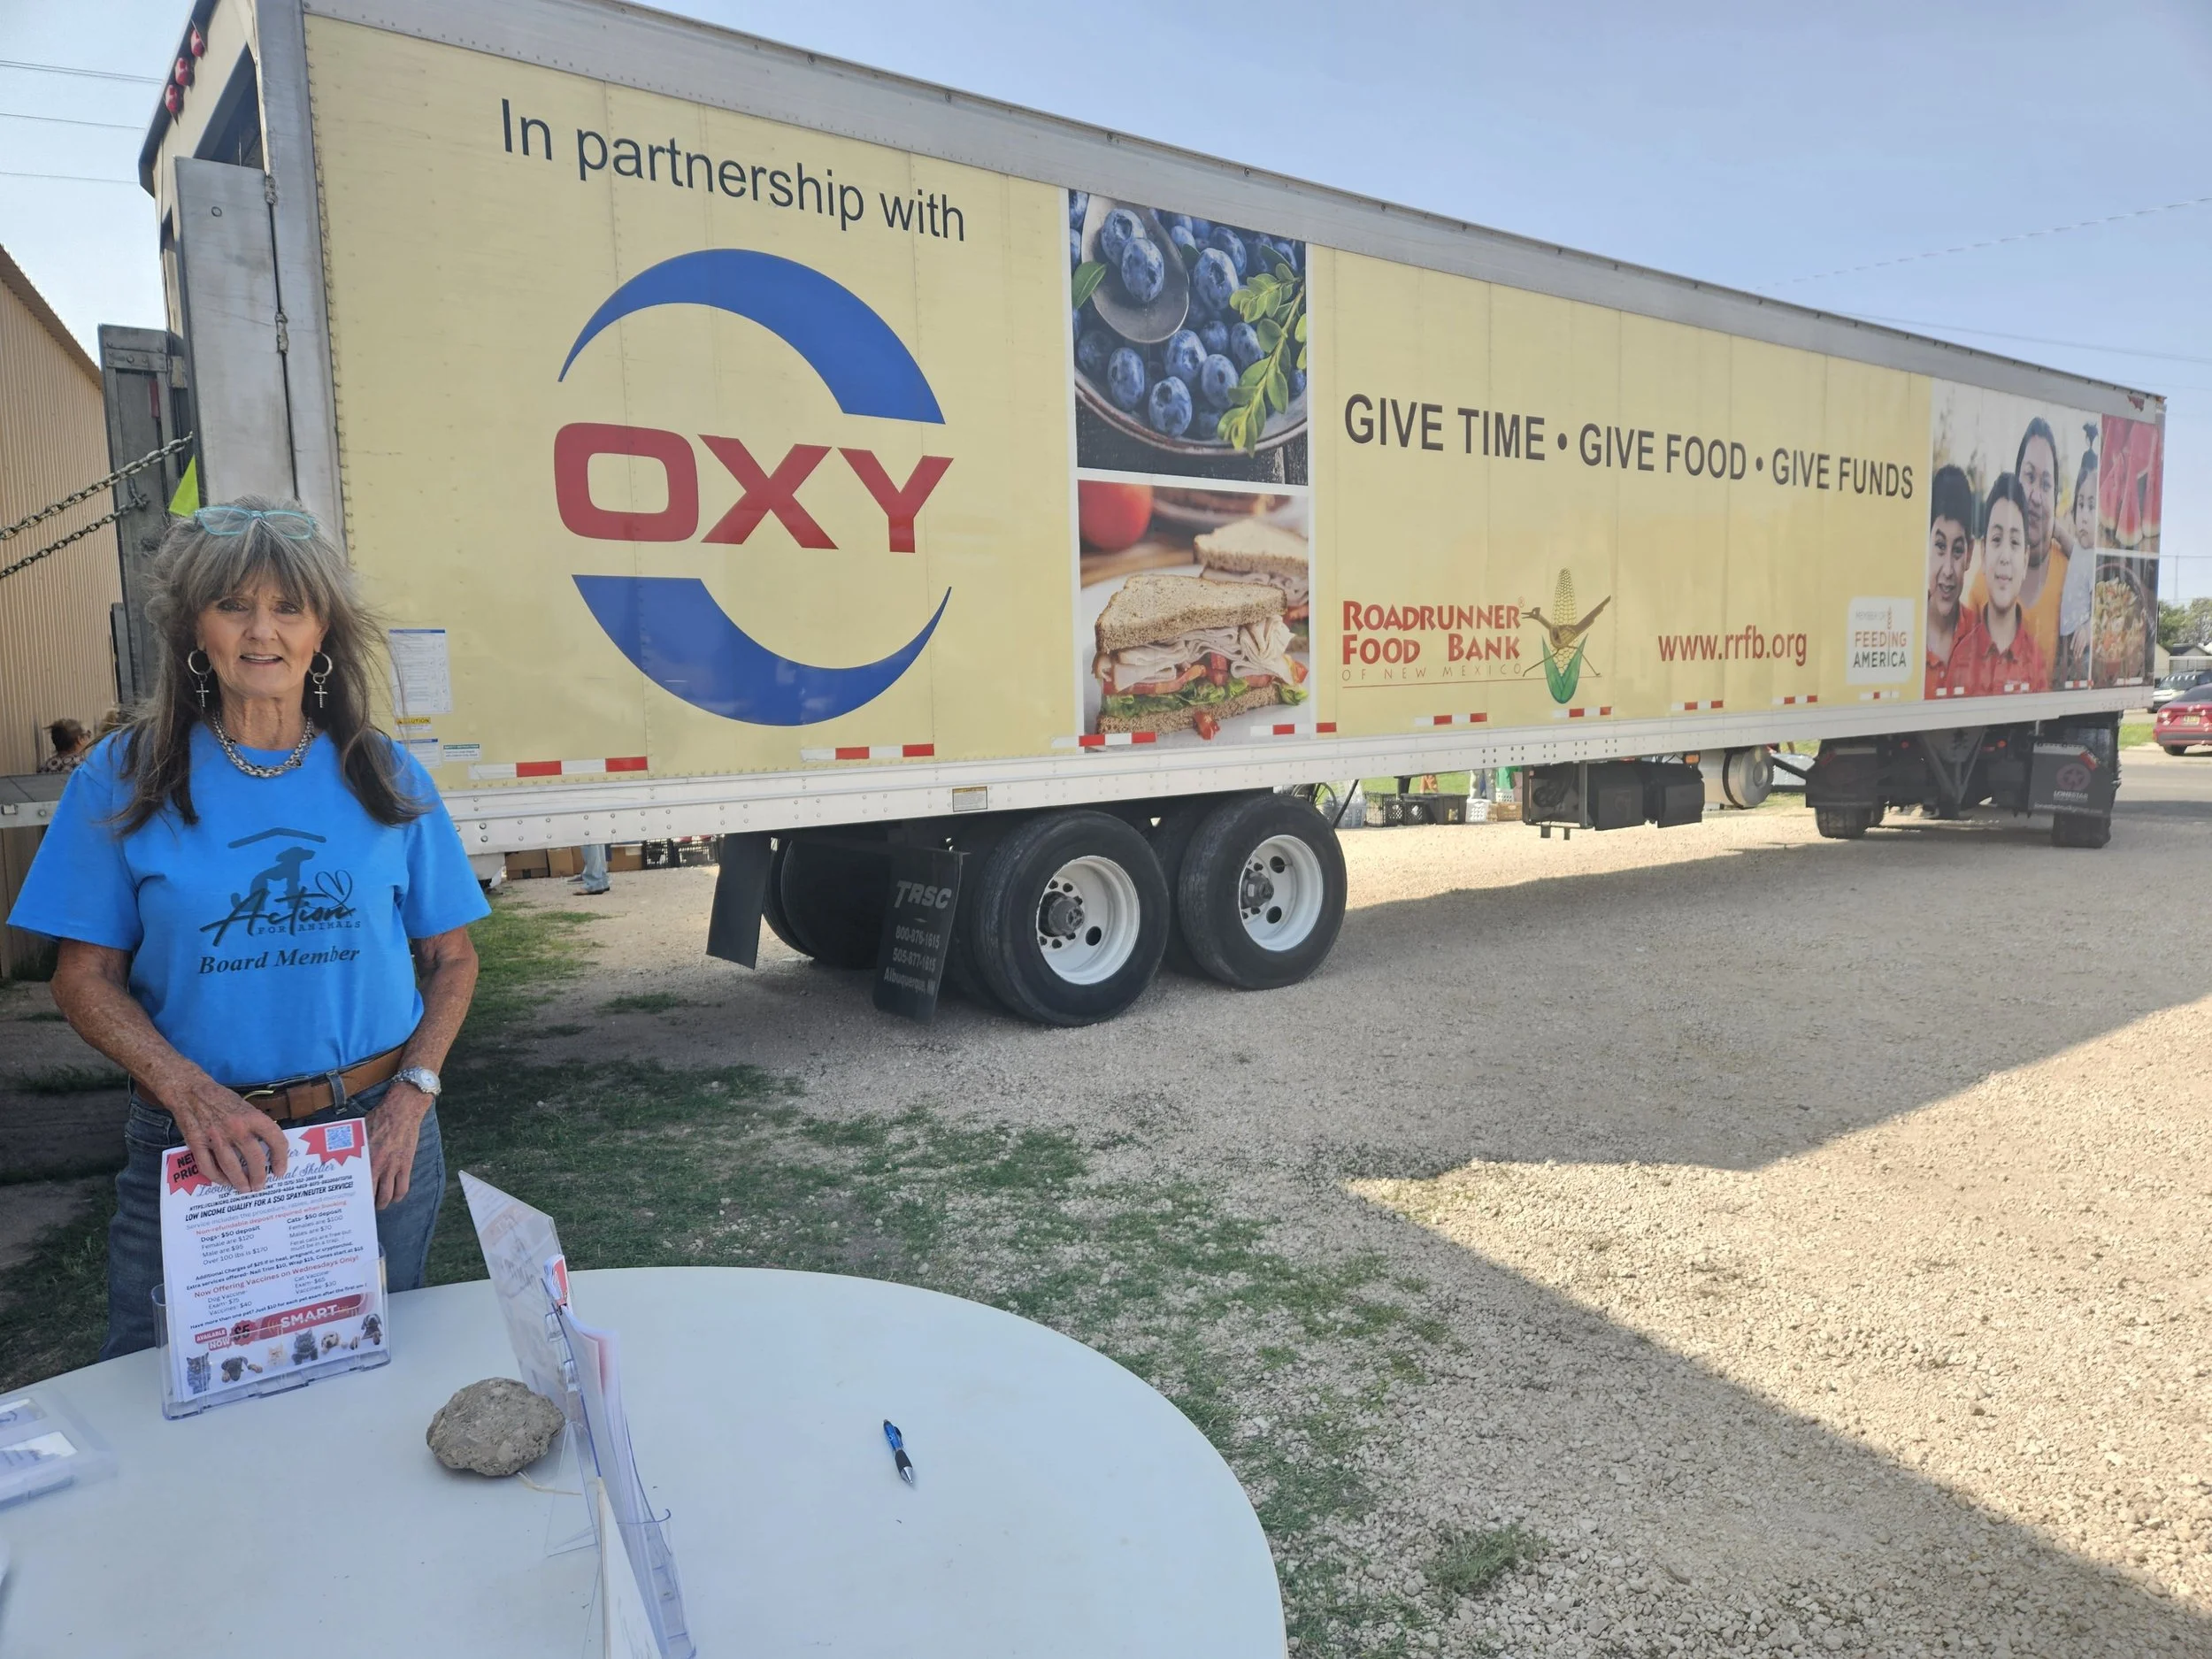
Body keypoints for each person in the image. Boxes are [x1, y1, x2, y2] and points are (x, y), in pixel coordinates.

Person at [6, 497, 489, 1358]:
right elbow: (83, 979)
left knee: (365, 1382)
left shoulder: (383, 772)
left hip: (374, 1136)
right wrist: (195, 1096)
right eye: (233, 604)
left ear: (323, 630)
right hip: (197, 1143)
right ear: (195, 628)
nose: (261, 631)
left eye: (288, 607)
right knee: (170, 1385)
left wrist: (413, 1096)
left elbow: (451, 959)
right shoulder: (123, 777)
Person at [1965, 418, 2069, 672]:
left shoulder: (2069, 575)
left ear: (2055, 495)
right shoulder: (1982, 583)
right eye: (2029, 476)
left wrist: (2057, 530)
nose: (2034, 495)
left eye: (2045, 484)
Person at [1944, 473, 2047, 697]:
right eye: (1997, 540)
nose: (2005, 557)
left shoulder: (2036, 664)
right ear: (1983, 552)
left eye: (2015, 542)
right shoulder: (1960, 660)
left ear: (2025, 558)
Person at [1924, 465, 1977, 699]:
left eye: (1957, 550)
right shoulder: (1905, 633)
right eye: (1940, 546)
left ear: (1970, 554)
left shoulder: (1981, 637)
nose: (1947, 570)